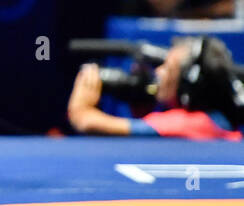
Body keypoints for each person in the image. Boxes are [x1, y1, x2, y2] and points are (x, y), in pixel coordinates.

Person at [68, 37, 243, 141]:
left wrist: (81, 104)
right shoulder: (215, 120)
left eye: (168, 68)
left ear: (188, 86)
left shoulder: (191, 123)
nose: (158, 72)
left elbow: (86, 122)